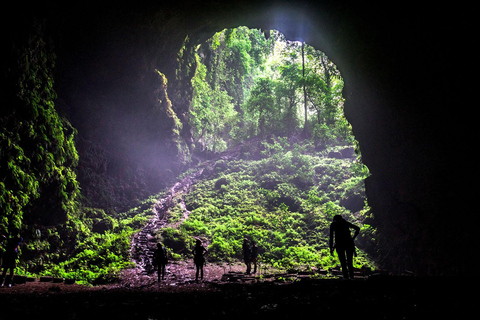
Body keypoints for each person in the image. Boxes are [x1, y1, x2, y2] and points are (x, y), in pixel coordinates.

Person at [329, 215, 360, 279]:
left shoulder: (334, 225)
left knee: (343, 263)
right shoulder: (345, 223)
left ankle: (346, 278)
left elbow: (331, 237)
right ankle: (351, 278)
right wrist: (352, 238)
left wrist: (331, 248)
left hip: (340, 245)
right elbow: (357, 228)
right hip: (348, 244)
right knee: (349, 262)